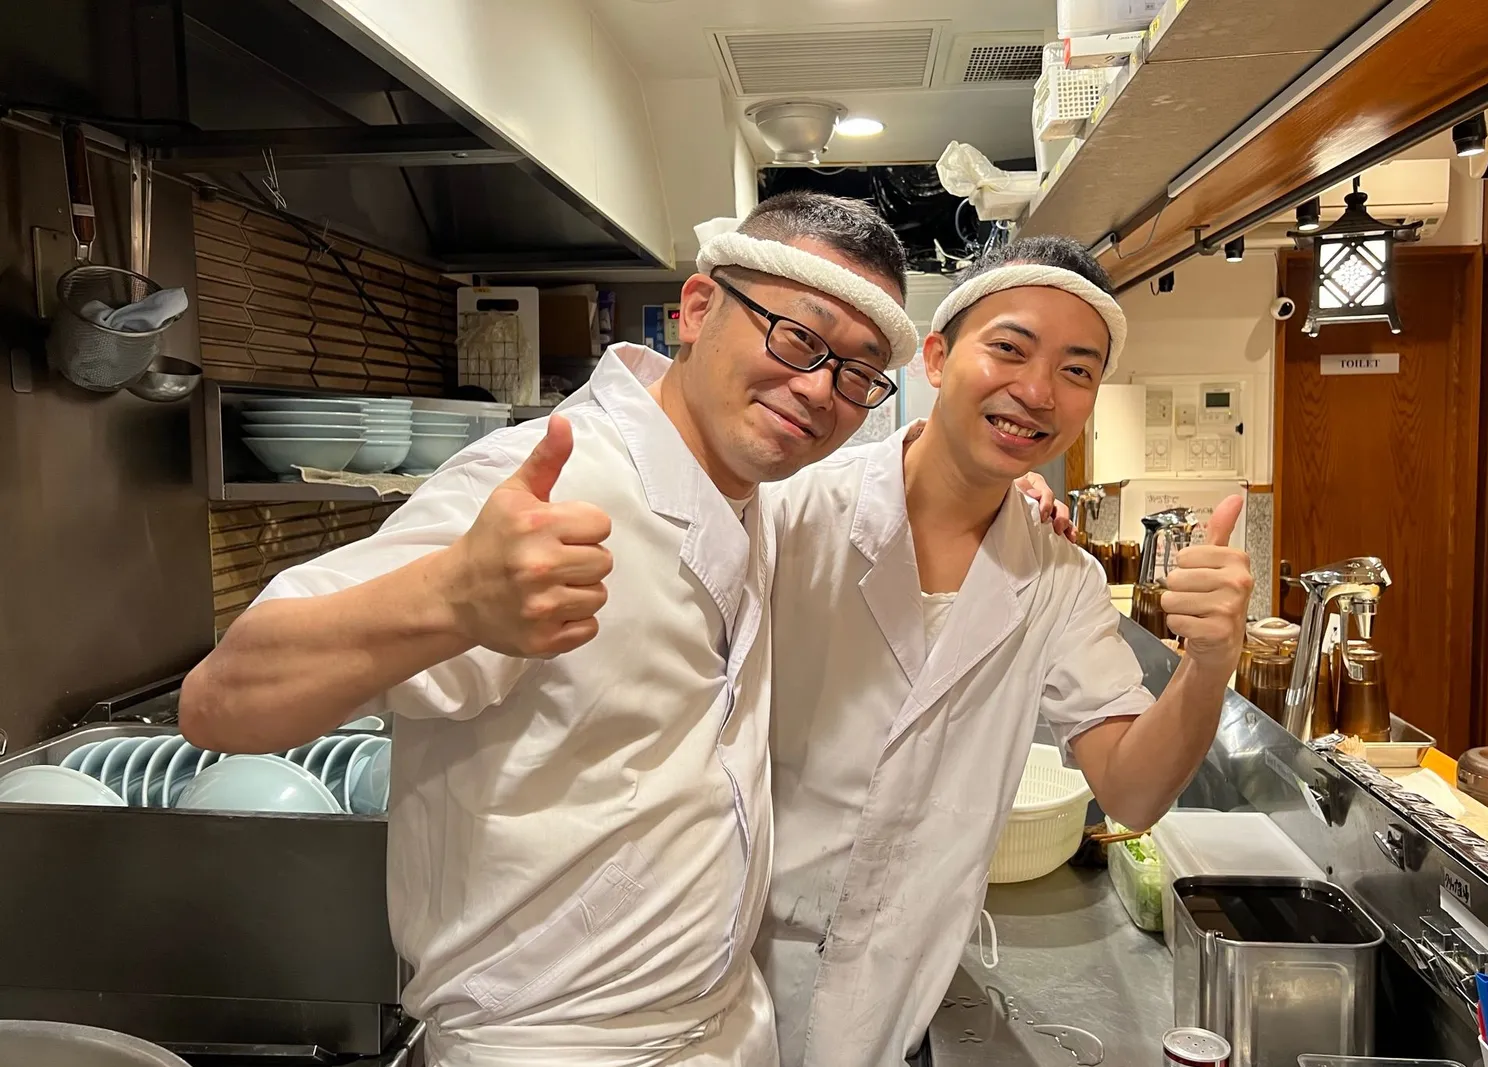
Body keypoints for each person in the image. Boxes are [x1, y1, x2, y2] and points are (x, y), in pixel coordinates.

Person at [177, 191, 926, 1067]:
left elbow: (905, 476)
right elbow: (219, 702)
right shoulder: (552, 482)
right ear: (696, 307)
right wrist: (455, 596)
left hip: (720, 1023)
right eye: (798, 337)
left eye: (855, 372)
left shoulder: (747, 494)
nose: (816, 390)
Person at [754, 235, 1254, 1067]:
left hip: (895, 1004)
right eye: (1011, 349)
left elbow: (1130, 789)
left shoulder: (1061, 579)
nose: (1036, 391)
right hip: (727, 977)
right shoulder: (790, 512)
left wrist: (1209, 664)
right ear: (941, 357)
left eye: (1077, 370)